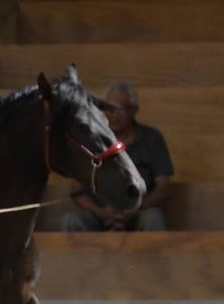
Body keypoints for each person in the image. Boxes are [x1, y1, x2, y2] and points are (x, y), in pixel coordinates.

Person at [62, 82, 173, 231]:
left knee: (152, 218)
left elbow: (164, 188)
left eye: (121, 108)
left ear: (134, 110)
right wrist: (101, 212)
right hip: (99, 213)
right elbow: (76, 191)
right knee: (72, 220)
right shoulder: (90, 139)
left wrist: (135, 207)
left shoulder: (152, 138)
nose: (114, 114)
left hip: (139, 211)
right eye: (108, 108)